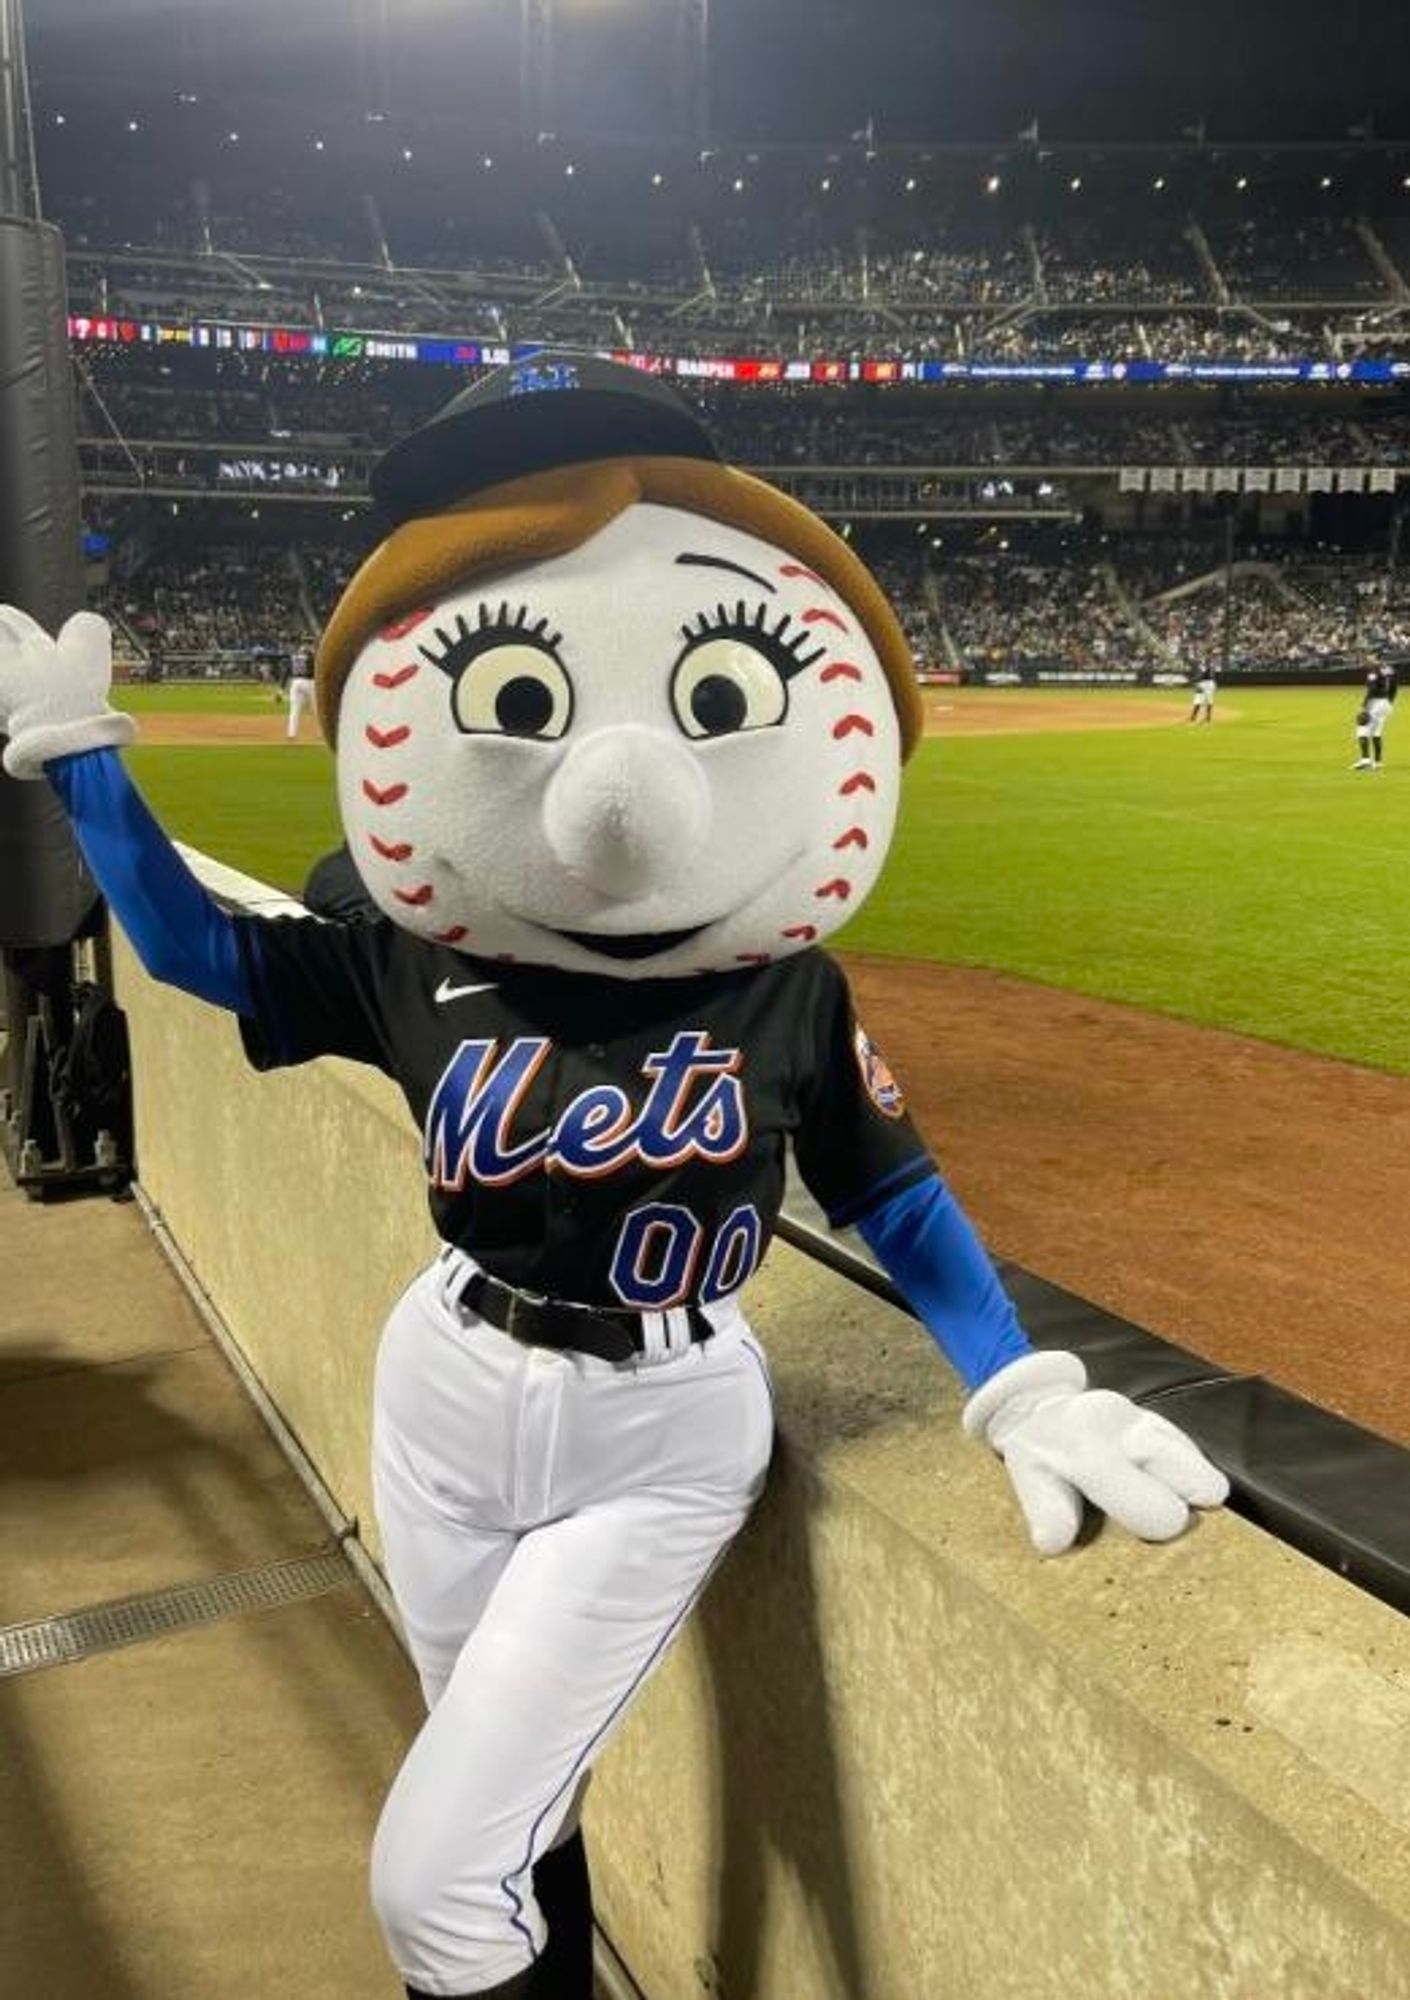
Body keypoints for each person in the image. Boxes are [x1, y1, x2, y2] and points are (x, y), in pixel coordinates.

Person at [0, 354, 1227, 2000]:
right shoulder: (411, 942)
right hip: (440, 1376)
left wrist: (1013, 1384)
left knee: (434, 1877)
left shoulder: (780, 981)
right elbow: (200, 950)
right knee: (509, 1799)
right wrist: (88, 765)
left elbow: (895, 1195)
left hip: (662, 1424)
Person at [1352, 662, 1397, 770]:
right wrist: (1390, 701)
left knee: (1362, 729)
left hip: (1376, 703)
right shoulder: (1389, 670)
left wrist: (1364, 705)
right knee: (1376, 732)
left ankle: (1365, 760)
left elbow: (1372, 689)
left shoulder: (1373, 672)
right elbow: (1394, 687)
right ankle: (1378, 762)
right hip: (1385, 703)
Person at [286, 639, 317, 738]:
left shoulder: (294, 655)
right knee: (316, 709)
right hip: (309, 682)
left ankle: (291, 734)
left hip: (295, 682)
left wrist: (281, 688)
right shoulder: (311, 655)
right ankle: (321, 732)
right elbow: (314, 669)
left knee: (294, 709)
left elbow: (287, 670)